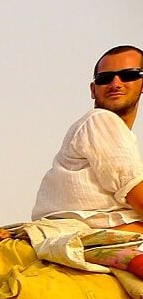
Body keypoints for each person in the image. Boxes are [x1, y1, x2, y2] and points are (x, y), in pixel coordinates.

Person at [33, 45, 143, 232]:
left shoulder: (117, 133)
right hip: (85, 229)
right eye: (105, 78)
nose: (115, 84)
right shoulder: (100, 119)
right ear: (93, 89)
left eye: (128, 75)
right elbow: (138, 195)